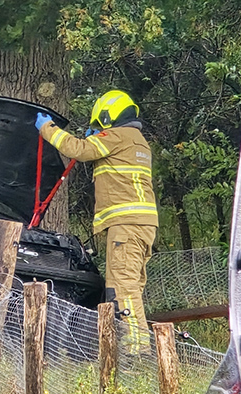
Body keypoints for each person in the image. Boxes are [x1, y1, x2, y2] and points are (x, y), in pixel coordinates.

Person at [34, 90, 158, 354]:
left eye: (99, 124)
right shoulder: (138, 142)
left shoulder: (116, 136)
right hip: (143, 225)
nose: (98, 129)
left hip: (126, 225)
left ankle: (136, 351)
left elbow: (76, 149)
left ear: (107, 115)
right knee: (128, 286)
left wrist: (47, 127)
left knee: (123, 287)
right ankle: (125, 345)